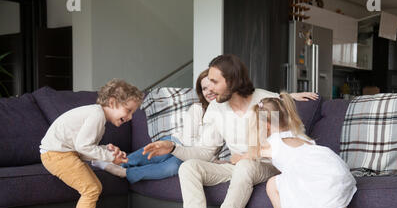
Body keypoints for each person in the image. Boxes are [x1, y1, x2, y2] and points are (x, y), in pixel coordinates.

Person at [142, 54, 318, 208]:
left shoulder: (262, 102)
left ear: (232, 81)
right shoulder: (216, 108)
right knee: (189, 168)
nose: (210, 88)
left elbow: (282, 142)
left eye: (215, 82)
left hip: (270, 164)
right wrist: (173, 148)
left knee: (244, 165)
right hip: (241, 165)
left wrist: (247, 155)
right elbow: (206, 152)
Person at [92, 71, 316, 183]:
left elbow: (265, 99)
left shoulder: (227, 109)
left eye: (212, 87)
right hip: (181, 143)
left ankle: (125, 173)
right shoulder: (197, 110)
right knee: (158, 157)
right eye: (204, 89)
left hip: (194, 154)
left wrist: (290, 96)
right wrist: (191, 153)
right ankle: (114, 160)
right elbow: (188, 142)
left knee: (173, 168)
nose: (209, 92)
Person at [242, 93, 363, 208]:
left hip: (320, 179)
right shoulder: (300, 137)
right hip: (334, 170)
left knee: (272, 185)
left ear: (264, 125)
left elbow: (243, 157)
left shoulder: (270, 145)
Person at [40, 79, 144, 208]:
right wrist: (111, 157)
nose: (130, 117)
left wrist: (107, 149)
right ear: (112, 102)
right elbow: (84, 147)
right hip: (57, 155)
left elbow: (83, 147)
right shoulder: (96, 115)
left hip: (62, 153)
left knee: (93, 187)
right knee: (91, 189)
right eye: (128, 110)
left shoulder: (97, 117)